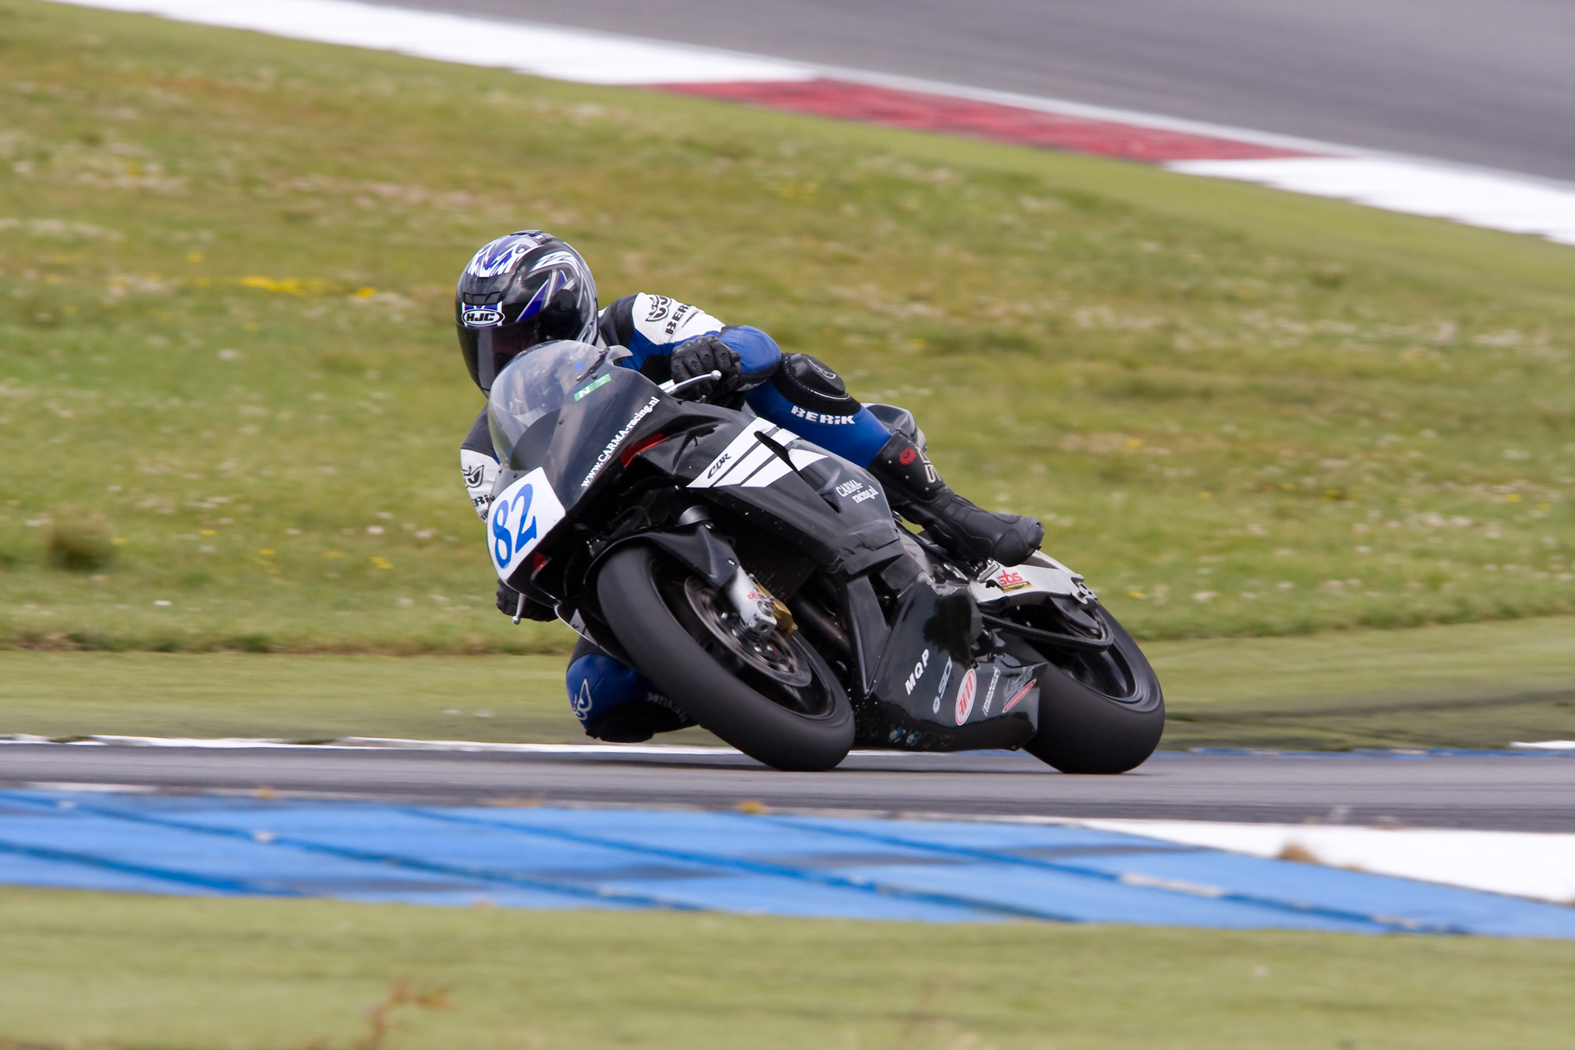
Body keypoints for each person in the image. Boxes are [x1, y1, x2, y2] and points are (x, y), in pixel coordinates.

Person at [455, 230, 1043, 740]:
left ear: (570, 318)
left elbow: (753, 342)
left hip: (739, 455)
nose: (508, 358)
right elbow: (513, 528)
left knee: (791, 372)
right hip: (638, 534)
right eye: (493, 347)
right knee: (597, 692)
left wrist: (716, 352)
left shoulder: (631, 322)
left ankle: (949, 510)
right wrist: (524, 586)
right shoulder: (485, 449)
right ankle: (754, 678)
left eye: (521, 340)